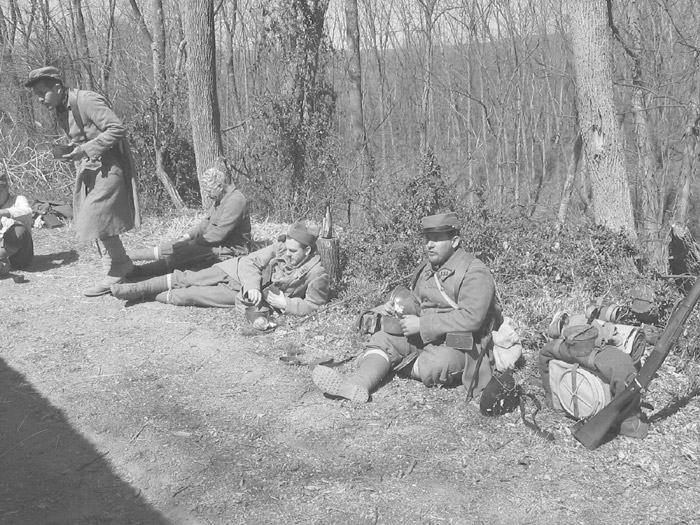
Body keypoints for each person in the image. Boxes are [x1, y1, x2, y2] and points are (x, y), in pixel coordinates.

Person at [312, 211, 502, 403]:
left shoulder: (474, 271)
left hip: (464, 340)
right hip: (426, 336)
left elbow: (472, 319)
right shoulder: (427, 268)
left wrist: (422, 325)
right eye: (427, 239)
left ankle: (385, 364)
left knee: (437, 363)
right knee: (382, 339)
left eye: (436, 239)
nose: (429, 245)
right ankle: (358, 383)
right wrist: (397, 307)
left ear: (454, 241)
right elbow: (419, 301)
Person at [25, 66, 140, 296]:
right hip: (90, 170)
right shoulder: (61, 108)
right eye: (36, 95)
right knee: (93, 219)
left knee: (97, 217)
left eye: (42, 93)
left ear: (57, 87)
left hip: (109, 167)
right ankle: (115, 268)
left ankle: (119, 266)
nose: (39, 100)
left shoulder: (86, 100)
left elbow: (117, 128)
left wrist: (85, 149)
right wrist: (73, 152)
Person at [110, 220, 329, 320]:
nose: (287, 254)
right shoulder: (279, 247)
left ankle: (145, 295)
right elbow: (248, 262)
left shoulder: (316, 274)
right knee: (186, 278)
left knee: (190, 295)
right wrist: (252, 286)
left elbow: (314, 305)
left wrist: (287, 304)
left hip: (241, 296)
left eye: (293, 251)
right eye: (287, 249)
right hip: (234, 271)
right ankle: (137, 288)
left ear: (308, 250)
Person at [128, 169, 251, 278]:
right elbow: (204, 225)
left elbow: (218, 235)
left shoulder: (236, 201)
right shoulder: (220, 198)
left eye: (209, 192)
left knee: (186, 252)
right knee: (176, 244)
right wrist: (185, 238)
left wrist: (190, 244)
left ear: (219, 186)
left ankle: (140, 271)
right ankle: (127, 256)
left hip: (229, 250)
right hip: (214, 243)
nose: (208, 196)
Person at [0, 173, 34, 276]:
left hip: (19, 255)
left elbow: (27, 212)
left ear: (6, 187)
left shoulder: (18, 199)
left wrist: (4, 212)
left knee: (18, 230)